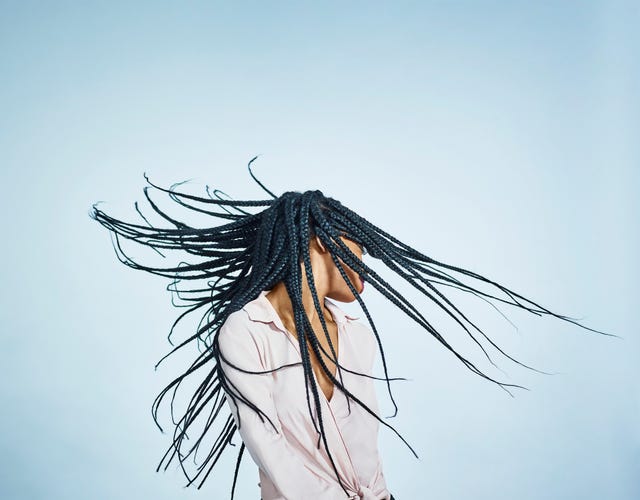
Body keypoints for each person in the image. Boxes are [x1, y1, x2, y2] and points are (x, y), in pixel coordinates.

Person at [89, 158, 615, 499]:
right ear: (321, 242)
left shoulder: (354, 330)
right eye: (358, 246)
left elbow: (365, 446)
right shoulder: (245, 330)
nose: (365, 262)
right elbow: (270, 450)